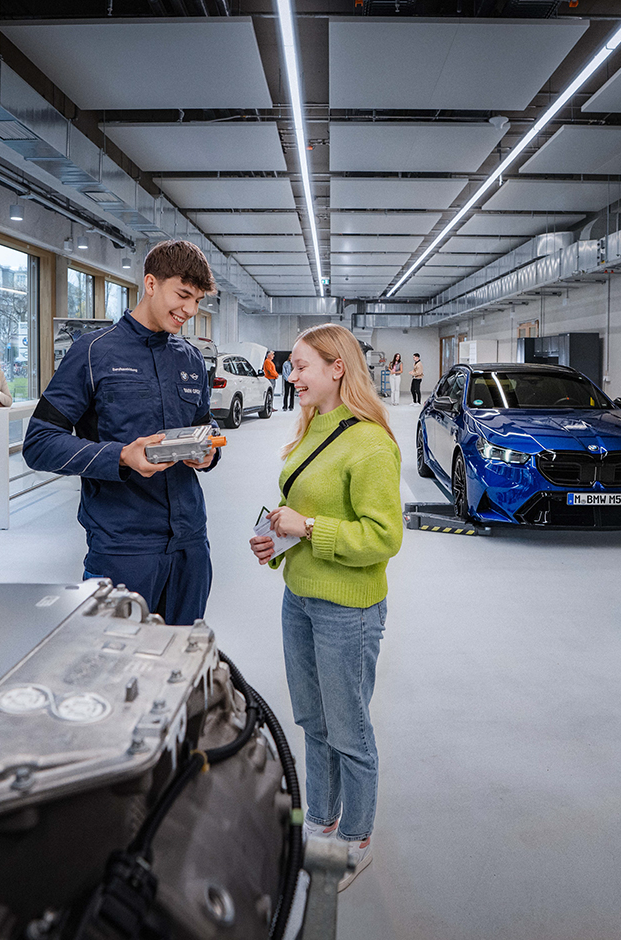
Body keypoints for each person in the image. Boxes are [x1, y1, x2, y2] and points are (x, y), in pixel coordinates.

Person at [250, 323, 402, 892]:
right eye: (292, 366)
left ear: (338, 368)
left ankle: (357, 840)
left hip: (348, 610)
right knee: (314, 723)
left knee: (349, 731)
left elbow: (384, 538)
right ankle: (320, 821)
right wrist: (275, 542)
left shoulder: (370, 443)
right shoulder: (313, 426)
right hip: (301, 599)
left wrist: (309, 527)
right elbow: (295, 511)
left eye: (301, 365)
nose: (291, 375)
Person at [22, 241, 220, 625]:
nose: (190, 311)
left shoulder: (191, 358)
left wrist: (207, 448)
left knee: (180, 660)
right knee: (113, 665)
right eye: (182, 295)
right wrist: (120, 457)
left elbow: (203, 422)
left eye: (197, 301)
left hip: (190, 543)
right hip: (122, 546)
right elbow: (39, 442)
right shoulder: (92, 353)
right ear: (150, 283)